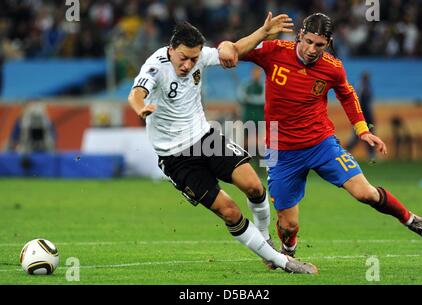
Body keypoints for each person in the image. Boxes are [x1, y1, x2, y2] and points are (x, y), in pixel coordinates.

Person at [231, 13, 422, 267]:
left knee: (365, 193)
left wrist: (362, 129)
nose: (311, 49)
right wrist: (259, 34)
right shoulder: (274, 51)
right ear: (299, 36)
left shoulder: (332, 67)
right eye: (308, 41)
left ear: (328, 43)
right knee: (288, 225)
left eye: (319, 45)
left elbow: (347, 94)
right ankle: (289, 249)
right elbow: (234, 51)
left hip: (322, 144)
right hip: (279, 150)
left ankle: (411, 219)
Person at [127, 15, 317, 274]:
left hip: (205, 139)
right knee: (229, 211)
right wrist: (141, 108)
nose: (188, 64)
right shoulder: (155, 66)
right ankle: (283, 262)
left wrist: (262, 32)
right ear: (171, 50)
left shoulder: (199, 57)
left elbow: (235, 49)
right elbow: (136, 93)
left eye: (194, 59)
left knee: (254, 186)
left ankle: (266, 241)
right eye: (183, 58)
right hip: (175, 158)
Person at [237, 66, 265, 175]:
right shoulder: (246, 85)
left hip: (260, 119)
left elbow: (263, 99)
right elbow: (240, 96)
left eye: (258, 72)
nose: (256, 74)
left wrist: (249, 98)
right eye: (254, 72)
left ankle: (261, 167)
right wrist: (249, 98)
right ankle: (246, 166)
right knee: (246, 143)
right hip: (248, 118)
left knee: (260, 143)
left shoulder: (263, 85)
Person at [345, 71, 376, 161]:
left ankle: (371, 155)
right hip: (363, 117)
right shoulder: (362, 87)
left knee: (368, 135)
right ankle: (346, 152)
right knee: (359, 136)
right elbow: (361, 103)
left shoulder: (364, 86)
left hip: (366, 116)